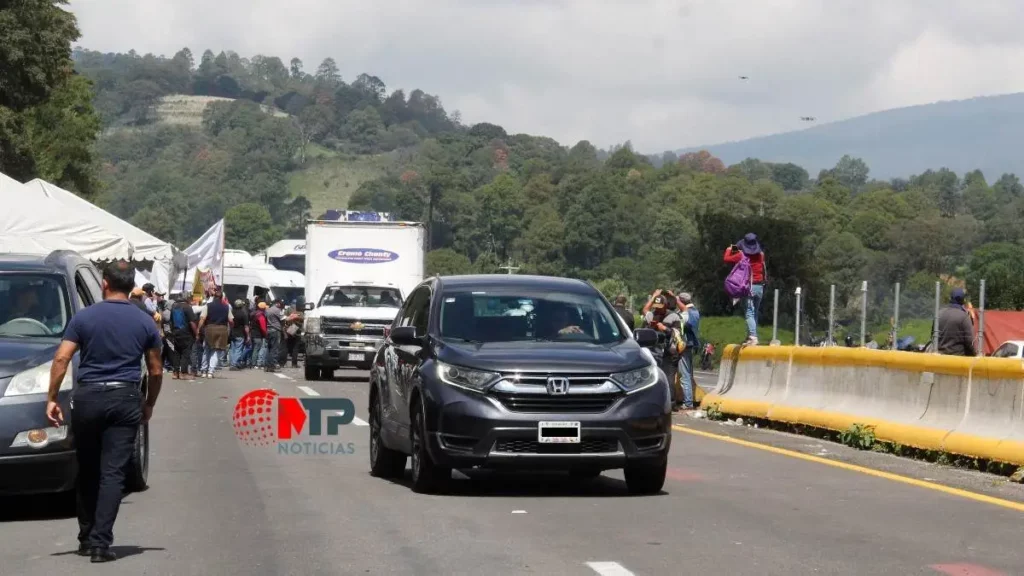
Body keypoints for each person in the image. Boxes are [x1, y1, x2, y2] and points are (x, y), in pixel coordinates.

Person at [45, 260, 163, 563]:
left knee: (88, 468)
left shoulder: (83, 318)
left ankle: (85, 537)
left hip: (88, 398)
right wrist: (149, 402)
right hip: (125, 397)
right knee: (113, 473)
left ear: (105, 283)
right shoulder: (145, 321)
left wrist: (52, 398)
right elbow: (156, 369)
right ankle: (100, 543)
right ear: (130, 285)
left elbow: (61, 359)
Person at [724, 233, 767, 345]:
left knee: (749, 313)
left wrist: (731, 247)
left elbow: (727, 257)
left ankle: (752, 337)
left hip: (748, 287)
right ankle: (751, 336)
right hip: (759, 287)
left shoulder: (741, 255)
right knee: (754, 313)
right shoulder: (761, 254)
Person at [644, 294, 684, 411]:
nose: (657, 309)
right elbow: (643, 331)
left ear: (666, 305)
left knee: (668, 377)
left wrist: (665, 329)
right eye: (656, 306)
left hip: (669, 352)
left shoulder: (674, 317)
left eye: (660, 307)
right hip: (653, 351)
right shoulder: (651, 315)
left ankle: (670, 402)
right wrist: (650, 327)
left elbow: (678, 334)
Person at [197, 287, 232, 378]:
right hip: (222, 330)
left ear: (213, 296)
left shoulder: (208, 306)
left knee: (206, 350)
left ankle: (204, 370)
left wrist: (198, 329)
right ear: (222, 298)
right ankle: (210, 372)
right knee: (216, 350)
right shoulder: (226, 307)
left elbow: (202, 318)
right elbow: (231, 320)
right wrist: (230, 328)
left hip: (210, 329)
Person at [676, 292, 701, 410]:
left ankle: (688, 402)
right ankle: (689, 399)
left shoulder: (686, 313)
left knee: (684, 374)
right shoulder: (696, 312)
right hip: (691, 344)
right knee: (689, 373)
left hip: (683, 345)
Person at [937, 288, 977, 357]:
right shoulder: (964, 317)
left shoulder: (939, 314)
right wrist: (975, 355)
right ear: (963, 300)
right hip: (958, 359)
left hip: (940, 358)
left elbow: (933, 336)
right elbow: (969, 341)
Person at [169, 294, 199, 379]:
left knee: (177, 353)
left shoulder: (174, 307)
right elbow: (192, 322)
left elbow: (171, 321)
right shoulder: (187, 307)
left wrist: (172, 332)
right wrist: (196, 333)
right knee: (186, 353)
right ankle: (183, 373)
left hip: (176, 332)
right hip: (186, 333)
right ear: (186, 299)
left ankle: (175, 372)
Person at [229, 299, 250, 370]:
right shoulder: (243, 314)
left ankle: (232, 363)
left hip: (232, 332)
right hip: (240, 333)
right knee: (238, 349)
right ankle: (234, 364)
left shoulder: (232, 312)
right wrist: (248, 336)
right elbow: (246, 326)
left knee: (232, 349)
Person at [264, 299, 285, 373]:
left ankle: (266, 365)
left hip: (268, 329)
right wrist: (292, 317)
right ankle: (271, 366)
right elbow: (283, 319)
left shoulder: (268, 310)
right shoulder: (277, 310)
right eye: (280, 304)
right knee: (274, 349)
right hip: (275, 330)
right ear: (278, 303)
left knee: (268, 349)